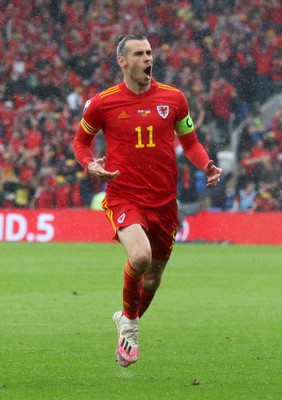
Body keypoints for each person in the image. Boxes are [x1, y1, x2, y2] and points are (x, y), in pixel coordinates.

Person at [73, 34, 222, 368]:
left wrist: (207, 164)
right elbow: (80, 143)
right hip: (124, 195)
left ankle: (127, 319)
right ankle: (130, 327)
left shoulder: (174, 98)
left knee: (153, 279)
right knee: (140, 257)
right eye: (138, 54)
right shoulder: (102, 103)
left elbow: (191, 142)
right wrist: (90, 164)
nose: (147, 58)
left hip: (165, 201)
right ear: (122, 62)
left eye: (149, 52)